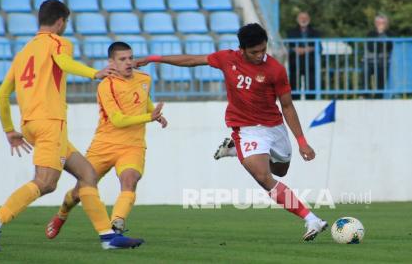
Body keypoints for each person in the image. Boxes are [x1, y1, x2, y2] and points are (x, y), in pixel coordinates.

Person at [0, 0, 143, 252]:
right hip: (50, 123)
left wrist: (10, 130)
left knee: (87, 175)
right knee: (46, 182)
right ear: (61, 21)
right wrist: (93, 73)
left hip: (31, 124)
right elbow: (63, 63)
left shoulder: (23, 53)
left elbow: (1, 95)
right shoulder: (58, 42)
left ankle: (107, 237)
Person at [136, 23, 327, 241]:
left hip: (275, 128)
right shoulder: (227, 59)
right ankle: (311, 218)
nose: (260, 55)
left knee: (280, 171)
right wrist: (154, 59)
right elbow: (191, 60)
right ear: (242, 49)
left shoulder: (275, 69)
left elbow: (287, 106)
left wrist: (302, 141)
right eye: (254, 52)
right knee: (263, 177)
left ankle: (235, 150)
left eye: (263, 50)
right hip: (246, 130)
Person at [45, 42, 167, 238]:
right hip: (104, 145)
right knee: (79, 191)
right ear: (111, 62)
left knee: (130, 179)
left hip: (133, 145)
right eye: (122, 59)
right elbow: (118, 120)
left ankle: (116, 223)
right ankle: (62, 214)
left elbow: (142, 99)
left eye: (130, 58)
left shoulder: (145, 78)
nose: (128, 62)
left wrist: (153, 112)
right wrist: (148, 117)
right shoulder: (106, 85)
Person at [286, 11, 322, 100]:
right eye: (301, 18)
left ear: (309, 20)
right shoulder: (291, 32)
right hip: (295, 64)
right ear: (297, 20)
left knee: (311, 87)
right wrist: (295, 49)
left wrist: (307, 49)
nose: (303, 20)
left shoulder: (315, 33)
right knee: (294, 86)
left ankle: (312, 103)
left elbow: (320, 48)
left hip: (310, 64)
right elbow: (287, 47)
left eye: (305, 18)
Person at [366, 14, 394, 99]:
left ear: (386, 24)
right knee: (365, 70)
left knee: (381, 72)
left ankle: (378, 96)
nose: (380, 25)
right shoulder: (371, 34)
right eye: (378, 23)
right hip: (371, 61)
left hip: (384, 61)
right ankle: (366, 94)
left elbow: (389, 46)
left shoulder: (390, 34)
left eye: (382, 23)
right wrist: (379, 37)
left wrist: (382, 34)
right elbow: (371, 48)